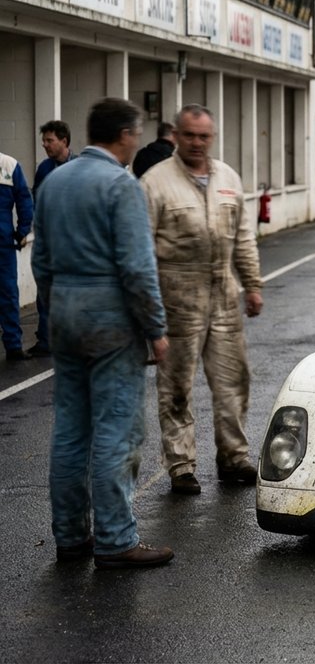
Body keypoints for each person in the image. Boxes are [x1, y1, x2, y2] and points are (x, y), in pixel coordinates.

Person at [33, 97, 174, 569]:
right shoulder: (121, 185)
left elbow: (41, 261)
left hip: (65, 312)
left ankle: (71, 536)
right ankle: (116, 539)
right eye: (136, 134)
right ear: (126, 135)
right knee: (117, 429)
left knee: (70, 430)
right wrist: (156, 329)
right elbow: (137, 268)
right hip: (110, 315)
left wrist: (54, 311)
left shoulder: (54, 182)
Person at [140, 104, 264, 496]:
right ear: (175, 135)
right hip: (177, 298)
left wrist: (253, 284)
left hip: (224, 295)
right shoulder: (155, 182)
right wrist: (149, 309)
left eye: (203, 136)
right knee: (176, 386)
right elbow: (141, 249)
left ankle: (233, 457)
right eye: (189, 135)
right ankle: (181, 466)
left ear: (213, 136)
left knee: (233, 381)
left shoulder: (228, 177)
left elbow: (243, 236)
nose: (196, 142)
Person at [29, 120, 78, 357]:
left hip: (73, 244)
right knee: (45, 293)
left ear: (64, 141)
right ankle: (46, 341)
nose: (44, 144)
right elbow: (36, 202)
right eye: (44, 140)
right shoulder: (44, 169)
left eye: (50, 140)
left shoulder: (79, 168)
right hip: (49, 243)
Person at [0, 145, 33, 361]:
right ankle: (13, 345)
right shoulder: (10, 165)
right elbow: (24, 199)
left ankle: (13, 345)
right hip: (3, 240)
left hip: (3, 243)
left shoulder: (9, 165)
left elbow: (24, 199)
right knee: (8, 293)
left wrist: (23, 230)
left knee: (9, 293)